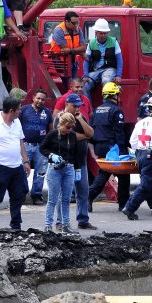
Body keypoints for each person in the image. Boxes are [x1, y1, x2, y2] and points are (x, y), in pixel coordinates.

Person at [0, 97, 30, 233]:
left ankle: (16, 225)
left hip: (16, 166)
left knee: (19, 195)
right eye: (18, 109)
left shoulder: (17, 122)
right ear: (11, 111)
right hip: (1, 166)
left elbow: (21, 142)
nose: (20, 112)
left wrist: (26, 161)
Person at [55, 93, 95, 230]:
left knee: (83, 192)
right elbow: (66, 136)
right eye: (74, 106)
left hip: (80, 162)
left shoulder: (80, 117)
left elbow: (91, 133)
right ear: (67, 104)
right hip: (66, 163)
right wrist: (83, 136)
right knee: (63, 194)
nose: (77, 108)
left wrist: (81, 120)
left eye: (79, 106)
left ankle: (83, 219)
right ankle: (60, 222)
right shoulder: (60, 118)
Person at [88, 82, 130, 211]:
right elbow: (119, 133)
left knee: (104, 174)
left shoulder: (97, 110)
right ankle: (123, 205)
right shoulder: (116, 111)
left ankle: (89, 197)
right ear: (114, 95)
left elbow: (92, 129)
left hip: (100, 147)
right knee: (124, 175)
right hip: (113, 147)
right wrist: (124, 150)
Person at [40, 112, 82, 233]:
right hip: (55, 169)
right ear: (60, 124)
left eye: (71, 127)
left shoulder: (72, 136)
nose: (69, 130)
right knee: (52, 199)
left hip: (69, 168)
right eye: (67, 127)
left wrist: (77, 169)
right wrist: (51, 156)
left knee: (66, 199)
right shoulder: (53, 134)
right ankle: (48, 225)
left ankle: (66, 225)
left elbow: (76, 153)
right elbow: (42, 148)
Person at [19, 89, 53, 205]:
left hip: (41, 148)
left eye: (43, 99)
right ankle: (22, 195)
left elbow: (51, 129)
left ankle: (37, 195)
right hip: (26, 146)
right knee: (23, 171)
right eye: (38, 98)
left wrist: (48, 145)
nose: (40, 101)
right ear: (33, 97)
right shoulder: (23, 110)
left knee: (41, 172)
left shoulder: (47, 112)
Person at [82, 18, 123, 101]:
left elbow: (119, 59)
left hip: (109, 69)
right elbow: (86, 60)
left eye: (105, 33)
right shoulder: (91, 43)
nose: (103, 35)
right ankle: (89, 109)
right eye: (101, 33)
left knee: (106, 81)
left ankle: (106, 106)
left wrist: (118, 75)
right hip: (95, 69)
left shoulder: (114, 42)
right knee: (83, 86)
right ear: (96, 33)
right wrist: (86, 75)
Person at [49, 11, 87, 81]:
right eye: (74, 23)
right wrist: (80, 52)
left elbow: (83, 47)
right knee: (69, 84)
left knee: (74, 83)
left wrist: (71, 50)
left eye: (77, 22)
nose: (76, 25)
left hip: (73, 60)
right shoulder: (59, 30)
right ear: (67, 21)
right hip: (61, 62)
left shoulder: (78, 29)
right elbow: (65, 51)